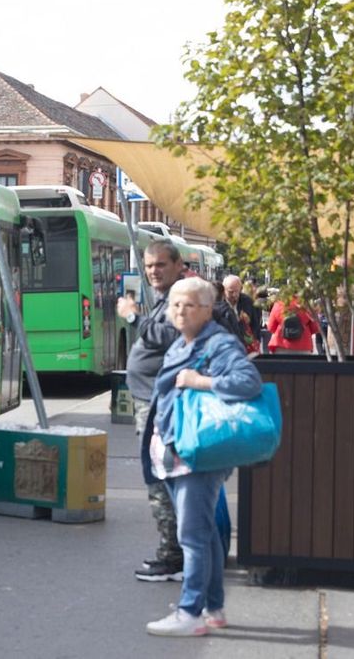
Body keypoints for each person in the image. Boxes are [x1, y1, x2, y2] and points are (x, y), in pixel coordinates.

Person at [145, 277, 262, 637]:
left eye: (189, 304)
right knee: (206, 532)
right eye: (175, 304)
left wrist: (201, 382)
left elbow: (249, 382)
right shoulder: (186, 341)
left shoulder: (219, 343)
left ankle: (189, 612)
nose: (179, 310)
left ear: (208, 310)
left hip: (198, 452)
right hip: (182, 450)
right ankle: (213, 607)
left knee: (192, 535)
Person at [115, 239, 189, 583]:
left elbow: (170, 336)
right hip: (150, 399)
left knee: (160, 476)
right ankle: (175, 550)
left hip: (159, 403)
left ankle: (172, 554)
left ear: (177, 265)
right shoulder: (165, 299)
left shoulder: (181, 298)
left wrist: (132, 316)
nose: (153, 272)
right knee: (162, 474)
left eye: (160, 265)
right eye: (148, 266)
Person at [222, 274, 260, 353]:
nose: (235, 295)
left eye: (237, 291)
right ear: (224, 290)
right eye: (231, 292)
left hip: (245, 346)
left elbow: (256, 324)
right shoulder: (218, 304)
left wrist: (255, 340)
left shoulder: (248, 302)